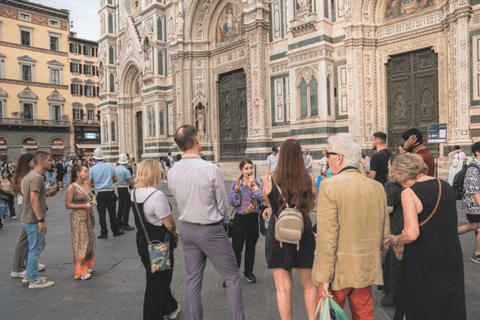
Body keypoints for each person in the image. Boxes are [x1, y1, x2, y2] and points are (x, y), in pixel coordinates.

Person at [168, 125, 244, 320]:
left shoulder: (172, 171)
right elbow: (221, 203)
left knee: (193, 279)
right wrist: (224, 220)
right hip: (210, 230)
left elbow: (177, 198)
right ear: (196, 140)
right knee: (232, 277)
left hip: (187, 229)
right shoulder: (210, 169)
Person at [313, 133, 390, 320]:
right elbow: (385, 237)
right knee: (364, 315)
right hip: (365, 268)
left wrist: (323, 277)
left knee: (328, 316)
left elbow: (327, 238)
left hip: (337, 272)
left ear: (338, 157)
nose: (327, 159)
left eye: (327, 154)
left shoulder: (330, 186)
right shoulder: (377, 187)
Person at [390, 154, 466, 320]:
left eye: (398, 179)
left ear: (402, 173)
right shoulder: (444, 185)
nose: (399, 184)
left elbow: (411, 233)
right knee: (447, 303)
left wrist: (397, 239)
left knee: (420, 303)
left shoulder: (409, 193)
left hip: (423, 258)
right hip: (450, 255)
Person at [262, 139, 317, 320]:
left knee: (283, 288)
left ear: (282, 156)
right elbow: (310, 205)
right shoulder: (309, 180)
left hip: (278, 234)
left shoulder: (268, 180)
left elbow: (270, 207)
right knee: (309, 285)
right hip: (303, 233)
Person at [131, 159, 181, 320]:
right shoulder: (156, 195)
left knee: (155, 278)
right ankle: (152, 316)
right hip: (158, 245)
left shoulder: (134, 192)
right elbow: (169, 223)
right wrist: (175, 234)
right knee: (158, 282)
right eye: (160, 169)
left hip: (142, 241)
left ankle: (170, 307)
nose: (162, 172)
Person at [21, 151, 55, 289]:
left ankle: (30, 273)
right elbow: (33, 199)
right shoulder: (37, 177)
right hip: (33, 219)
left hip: (28, 217)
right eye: (49, 160)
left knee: (39, 245)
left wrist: (46, 193)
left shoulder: (31, 175)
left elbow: (34, 196)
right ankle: (34, 279)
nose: (51, 162)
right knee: (35, 248)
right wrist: (41, 219)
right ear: (42, 162)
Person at [228, 159, 263, 285]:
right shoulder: (236, 184)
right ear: (241, 170)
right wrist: (236, 192)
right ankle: (233, 274)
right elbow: (233, 202)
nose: (249, 170)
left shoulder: (258, 182)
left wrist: (254, 186)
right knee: (236, 248)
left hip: (253, 218)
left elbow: (262, 197)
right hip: (240, 219)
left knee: (251, 247)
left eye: (250, 168)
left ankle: (249, 272)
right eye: (246, 168)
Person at [65, 165, 97, 280]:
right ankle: (80, 271)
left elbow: (92, 196)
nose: (88, 172)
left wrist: (94, 201)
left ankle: (87, 266)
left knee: (90, 241)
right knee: (81, 242)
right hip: (78, 217)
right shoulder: (71, 188)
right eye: (85, 171)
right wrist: (84, 205)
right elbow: (68, 205)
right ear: (78, 173)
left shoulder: (87, 183)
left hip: (88, 215)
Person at [381, 155, 404, 306]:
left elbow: (388, 208)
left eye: (390, 164)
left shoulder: (390, 185)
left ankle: (391, 292)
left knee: (392, 259)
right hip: (405, 223)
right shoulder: (406, 184)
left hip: (393, 224)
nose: (388, 167)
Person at [89, 148, 123, 239]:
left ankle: (104, 233)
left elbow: (89, 182)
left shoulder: (92, 169)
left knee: (101, 214)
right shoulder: (110, 167)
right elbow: (115, 179)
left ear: (95, 158)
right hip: (110, 192)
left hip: (99, 193)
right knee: (112, 213)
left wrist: (96, 183)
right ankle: (115, 231)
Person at [459, 142, 480, 264]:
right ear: (477, 152)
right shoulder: (473, 168)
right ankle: (477, 255)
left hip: (475, 203)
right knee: (478, 226)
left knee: (474, 226)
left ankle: (449, 233)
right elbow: (474, 190)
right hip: (474, 204)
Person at [115, 154, 135, 232]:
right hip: (125, 189)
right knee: (126, 207)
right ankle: (125, 224)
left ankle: (119, 223)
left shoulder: (115, 169)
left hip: (118, 189)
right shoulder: (126, 170)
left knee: (120, 207)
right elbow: (130, 181)